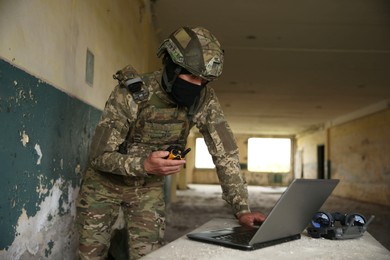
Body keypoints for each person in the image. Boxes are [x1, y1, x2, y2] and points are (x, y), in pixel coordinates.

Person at [76, 26, 266, 259]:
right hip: (103, 187)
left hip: (147, 190)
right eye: (191, 76)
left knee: (149, 257)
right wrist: (144, 165)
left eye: (204, 80)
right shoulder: (132, 93)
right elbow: (99, 156)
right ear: (171, 67)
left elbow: (225, 155)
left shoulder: (204, 100)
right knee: (90, 256)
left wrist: (242, 209)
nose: (197, 85)